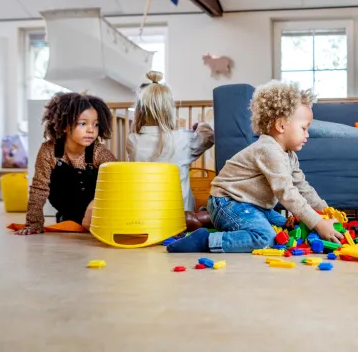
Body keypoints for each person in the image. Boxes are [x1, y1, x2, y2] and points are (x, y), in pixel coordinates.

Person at [166, 80, 343, 253]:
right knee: (266, 237)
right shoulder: (268, 150)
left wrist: (324, 211)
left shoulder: (289, 155)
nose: (307, 135)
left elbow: (302, 187)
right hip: (228, 202)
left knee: (288, 227)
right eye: (304, 128)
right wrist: (318, 223)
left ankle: (210, 220)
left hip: (252, 206)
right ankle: (206, 240)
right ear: (281, 125)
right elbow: (287, 192)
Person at [17, 92, 115, 234]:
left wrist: (96, 206)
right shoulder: (48, 151)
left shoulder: (98, 152)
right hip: (67, 212)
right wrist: (33, 223)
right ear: (64, 126)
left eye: (96, 124)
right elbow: (39, 188)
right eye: (83, 123)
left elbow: (118, 179)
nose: (91, 130)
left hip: (97, 211)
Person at [126, 71, 215, 218]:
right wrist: (199, 125)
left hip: (146, 216)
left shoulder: (133, 141)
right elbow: (209, 137)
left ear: (140, 111)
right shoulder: (184, 139)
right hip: (182, 216)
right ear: (169, 111)